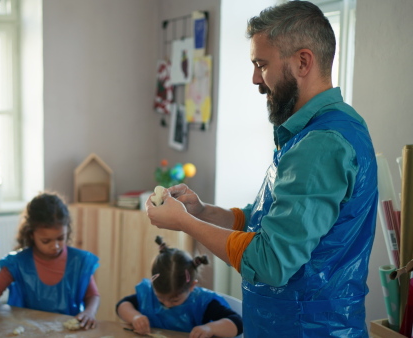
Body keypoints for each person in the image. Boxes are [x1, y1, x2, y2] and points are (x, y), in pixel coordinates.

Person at [145, 1, 378, 337]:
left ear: (302, 61)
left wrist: (185, 222)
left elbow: (271, 262)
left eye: (262, 65)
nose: (255, 79)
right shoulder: (306, 133)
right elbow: (262, 220)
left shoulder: (321, 144)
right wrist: (202, 210)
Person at [0, 192, 100, 330]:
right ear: (31, 234)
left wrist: (89, 312)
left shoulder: (79, 261)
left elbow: (92, 295)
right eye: (46, 241)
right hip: (29, 331)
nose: (55, 246)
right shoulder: (17, 263)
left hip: (68, 332)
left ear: (67, 231)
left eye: (61, 238)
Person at [116, 236, 242, 337]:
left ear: (192, 286)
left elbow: (237, 323)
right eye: (160, 298)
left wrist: (209, 328)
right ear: (153, 283)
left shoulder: (202, 303)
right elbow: (122, 305)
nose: (167, 304)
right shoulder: (148, 294)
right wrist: (135, 317)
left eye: (175, 300)